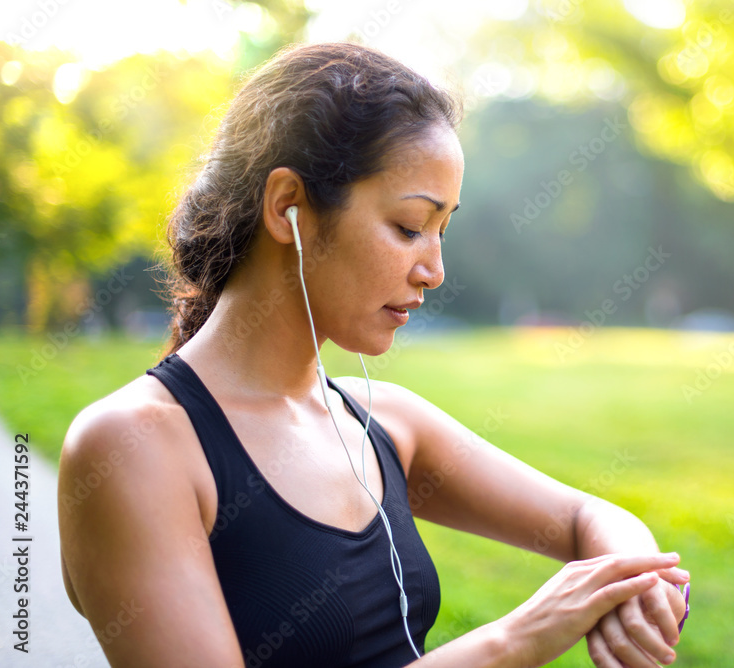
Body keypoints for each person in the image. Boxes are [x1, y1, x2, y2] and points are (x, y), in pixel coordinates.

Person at [56, 41, 691, 668]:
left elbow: (590, 516)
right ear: (288, 208)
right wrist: (520, 637)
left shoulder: (385, 422)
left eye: (443, 231)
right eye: (411, 226)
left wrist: (634, 583)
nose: (434, 271)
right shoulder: (131, 448)